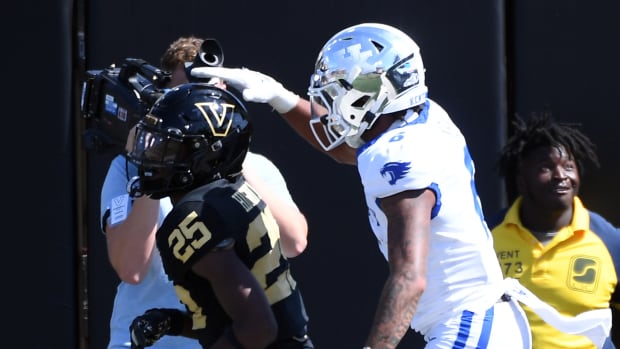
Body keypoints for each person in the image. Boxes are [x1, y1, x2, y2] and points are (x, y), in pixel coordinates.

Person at [192, 22, 534, 348]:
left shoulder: (398, 153)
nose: (328, 104)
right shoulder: (421, 116)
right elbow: (344, 148)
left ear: (378, 90)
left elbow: (409, 278)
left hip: (471, 325)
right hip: (485, 322)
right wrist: (280, 98)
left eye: (339, 90)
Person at [99, 36, 308, 349]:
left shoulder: (257, 166)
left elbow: (294, 242)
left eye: (206, 91)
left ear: (222, 92)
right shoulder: (125, 168)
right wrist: (153, 165)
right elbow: (131, 269)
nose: (195, 102)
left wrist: (230, 158)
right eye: (183, 94)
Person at [488, 113, 619, 349]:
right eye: (546, 167)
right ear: (522, 181)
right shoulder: (488, 237)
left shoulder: (609, 241)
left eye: (568, 167)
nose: (561, 176)